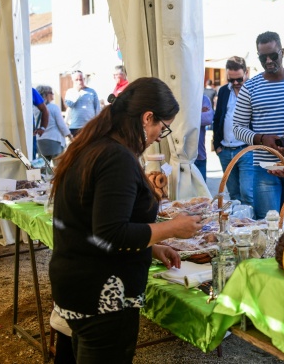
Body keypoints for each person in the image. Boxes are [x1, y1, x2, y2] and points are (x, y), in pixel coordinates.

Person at [49, 77, 204, 362]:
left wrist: (152, 246)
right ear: (147, 118)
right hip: (103, 295)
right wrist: (171, 227)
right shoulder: (115, 157)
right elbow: (111, 233)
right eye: (163, 126)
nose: (160, 134)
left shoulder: (92, 145)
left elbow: (93, 224)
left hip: (79, 285)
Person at [233, 31, 284, 219]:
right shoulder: (250, 88)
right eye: (262, 57)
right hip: (264, 167)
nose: (268, 61)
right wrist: (261, 139)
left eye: (272, 55)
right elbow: (237, 127)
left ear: (282, 52)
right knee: (270, 224)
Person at [213, 56, 254, 205]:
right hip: (225, 150)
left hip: (246, 150)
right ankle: (239, 226)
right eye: (231, 80)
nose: (236, 83)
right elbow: (218, 117)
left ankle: (251, 225)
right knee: (234, 194)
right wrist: (216, 145)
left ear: (246, 73)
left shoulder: (253, 89)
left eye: (239, 79)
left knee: (247, 193)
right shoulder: (224, 91)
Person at [35, 85, 72, 162]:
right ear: (45, 95)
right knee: (58, 166)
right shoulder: (53, 107)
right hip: (54, 140)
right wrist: (69, 136)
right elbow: (62, 125)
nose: (53, 94)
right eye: (51, 93)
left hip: (40, 140)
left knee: (43, 166)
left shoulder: (35, 109)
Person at [64, 70, 101, 136]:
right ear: (73, 80)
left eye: (81, 79)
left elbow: (97, 108)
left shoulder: (91, 91)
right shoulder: (70, 92)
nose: (79, 82)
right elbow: (70, 104)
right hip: (75, 126)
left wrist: (97, 123)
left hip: (89, 126)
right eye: (77, 80)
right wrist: (77, 92)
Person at [195, 95, 213, 181]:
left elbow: (208, 119)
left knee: (201, 192)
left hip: (199, 156)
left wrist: (188, 114)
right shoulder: (180, 97)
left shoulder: (203, 98)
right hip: (182, 157)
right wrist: (199, 111)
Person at [32, 87, 50, 159]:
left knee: (29, 160)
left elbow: (44, 109)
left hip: (29, 132)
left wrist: (42, 127)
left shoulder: (30, 90)